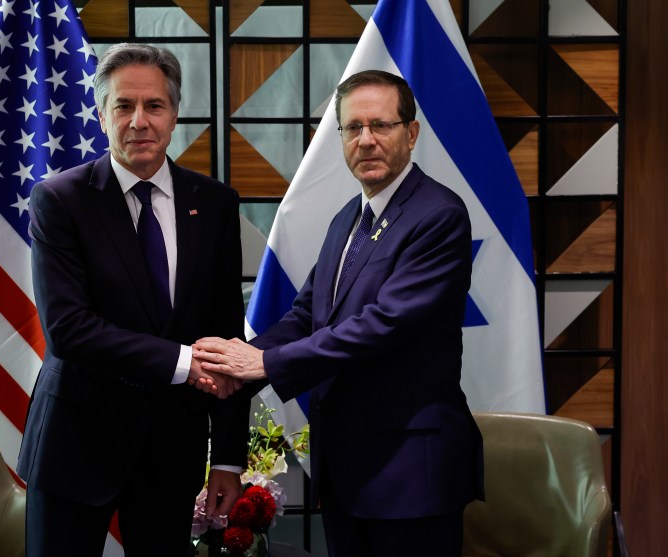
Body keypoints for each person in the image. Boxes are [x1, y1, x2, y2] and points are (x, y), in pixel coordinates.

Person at [193, 70, 484, 556]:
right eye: (353, 128)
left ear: (410, 134)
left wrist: (263, 365)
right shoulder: (349, 216)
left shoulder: (439, 215)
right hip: (348, 471)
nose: (366, 140)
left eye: (381, 126)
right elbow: (307, 315)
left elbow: (383, 326)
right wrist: (236, 361)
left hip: (411, 475)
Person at [16, 43, 250, 557]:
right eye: (124, 106)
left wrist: (230, 457)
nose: (139, 121)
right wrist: (186, 363)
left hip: (171, 450)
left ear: (173, 115)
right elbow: (69, 329)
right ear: (102, 115)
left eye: (154, 106)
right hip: (74, 447)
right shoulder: (59, 200)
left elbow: (228, 331)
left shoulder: (213, 204)